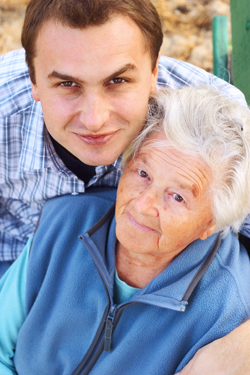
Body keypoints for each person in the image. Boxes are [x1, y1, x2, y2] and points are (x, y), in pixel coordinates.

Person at [1, 86, 250, 375]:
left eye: (178, 197)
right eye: (143, 174)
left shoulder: (227, 310)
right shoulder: (65, 221)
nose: (143, 205)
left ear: (211, 224)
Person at [0, 0, 247, 279]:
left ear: (154, 71)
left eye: (117, 81)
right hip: (16, 268)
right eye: (68, 84)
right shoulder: (3, 109)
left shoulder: (220, 125)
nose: (95, 119)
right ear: (33, 79)